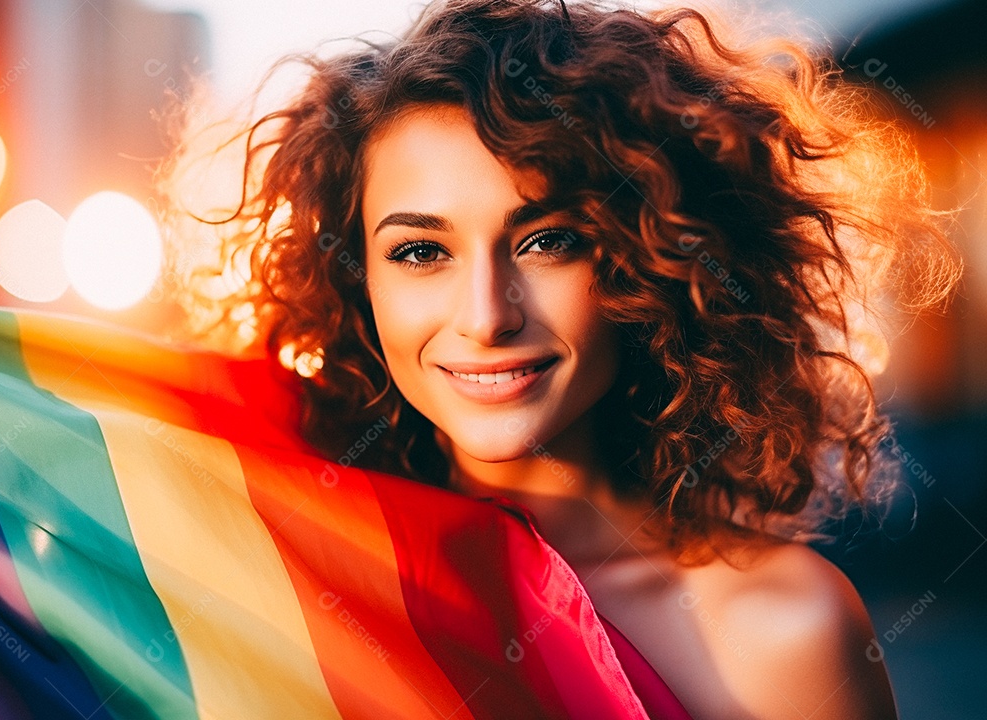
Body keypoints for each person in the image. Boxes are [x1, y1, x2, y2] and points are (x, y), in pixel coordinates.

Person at [160, 0, 961, 717]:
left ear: (650, 258)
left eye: (548, 241)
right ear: (355, 278)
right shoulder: (291, 572)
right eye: (419, 252)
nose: (485, 316)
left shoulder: (786, 632)